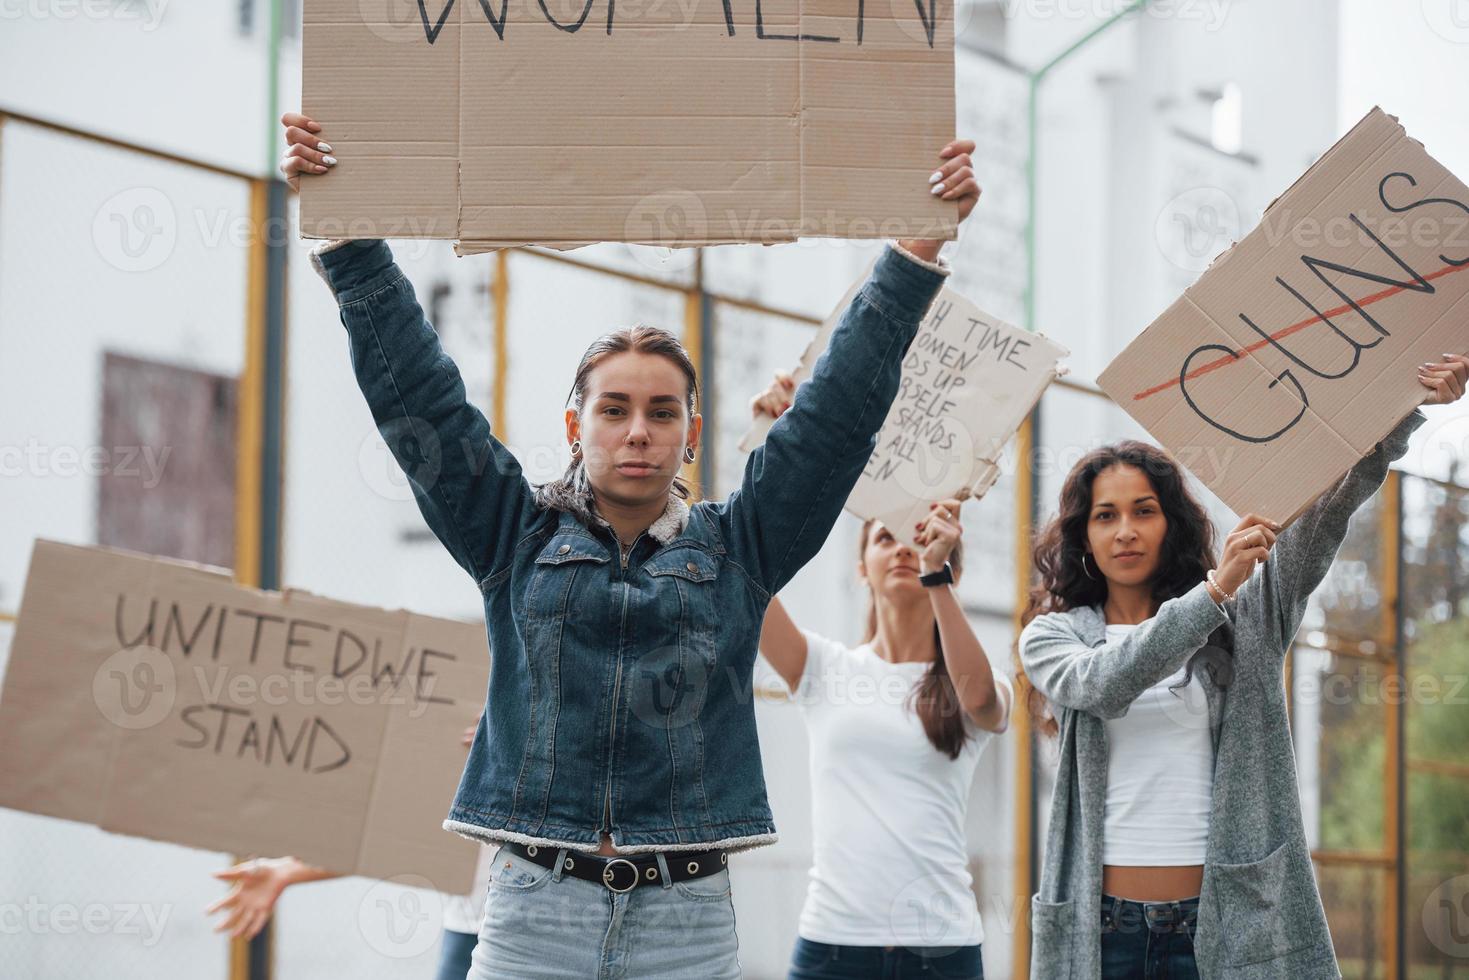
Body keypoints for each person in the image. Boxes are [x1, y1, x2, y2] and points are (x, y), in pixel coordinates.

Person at [280, 111, 980, 979]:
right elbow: (418, 399)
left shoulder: (740, 550)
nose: (637, 431)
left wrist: (910, 258)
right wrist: (351, 243)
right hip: (534, 912)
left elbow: (832, 422)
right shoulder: (511, 533)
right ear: (576, 425)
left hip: (685, 925)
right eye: (613, 410)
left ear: (690, 436)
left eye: (661, 412)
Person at [1019, 354, 1468, 979]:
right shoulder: (1054, 637)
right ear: (1083, 537)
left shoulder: (1246, 617)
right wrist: (1211, 591)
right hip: (1102, 932)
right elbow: (1106, 682)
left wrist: (1402, 410)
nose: (1125, 530)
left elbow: (1323, 517)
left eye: (1144, 510)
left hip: (1224, 923)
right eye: (1106, 515)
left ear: (1171, 524)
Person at [751, 451, 1010, 980]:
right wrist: (776, 446)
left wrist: (936, 577)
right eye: (885, 538)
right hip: (832, 947)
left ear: (950, 567)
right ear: (861, 563)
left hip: (942, 950)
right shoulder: (823, 667)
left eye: (917, 541)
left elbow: (981, 700)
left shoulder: (972, 675)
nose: (902, 551)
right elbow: (745, 577)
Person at [206, 723, 495, 980]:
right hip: (469, 925)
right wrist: (287, 871)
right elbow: (400, 835)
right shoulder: (458, 732)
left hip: (526, 932)